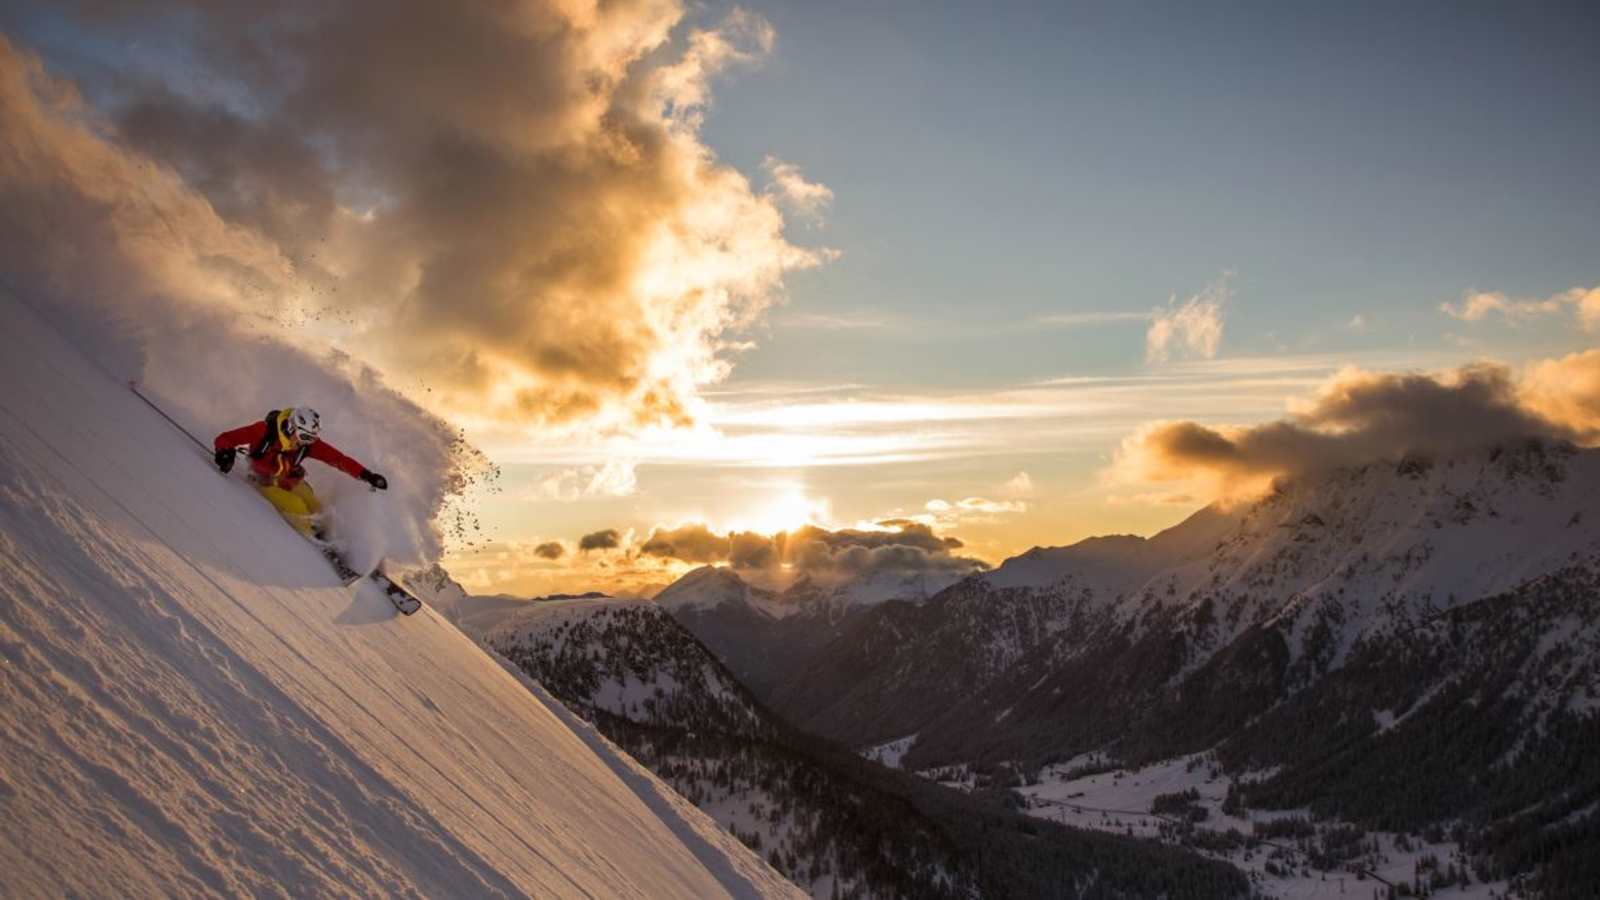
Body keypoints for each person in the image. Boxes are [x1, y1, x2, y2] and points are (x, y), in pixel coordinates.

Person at [213, 407, 387, 539]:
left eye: (312, 438)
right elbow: (225, 438)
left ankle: (328, 538)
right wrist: (224, 453)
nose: (307, 443)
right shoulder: (264, 432)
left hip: (290, 481)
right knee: (297, 506)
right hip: (264, 482)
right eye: (305, 437)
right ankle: (315, 540)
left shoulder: (308, 444)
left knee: (316, 507)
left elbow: (338, 459)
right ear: (291, 428)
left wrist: (366, 475)